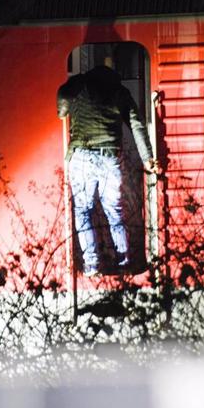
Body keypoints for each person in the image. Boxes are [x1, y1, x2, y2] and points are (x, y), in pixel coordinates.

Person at [57, 63, 158, 276]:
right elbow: (136, 125)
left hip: (82, 155)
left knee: (83, 210)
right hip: (110, 157)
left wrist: (62, 111)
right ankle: (124, 260)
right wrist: (147, 159)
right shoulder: (119, 91)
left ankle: (92, 263)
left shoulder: (79, 83)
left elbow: (63, 96)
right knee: (114, 211)